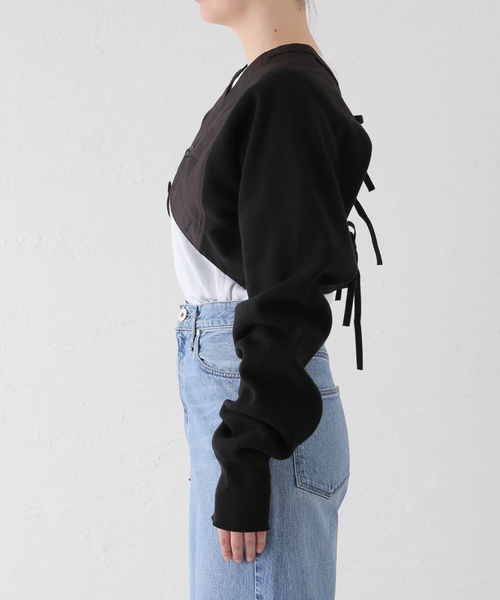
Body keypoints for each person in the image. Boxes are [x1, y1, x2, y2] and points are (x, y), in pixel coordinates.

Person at [168, 0, 382, 597]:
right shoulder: (269, 81)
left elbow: (287, 289)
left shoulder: (286, 89)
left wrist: (247, 457)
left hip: (262, 412)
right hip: (252, 402)